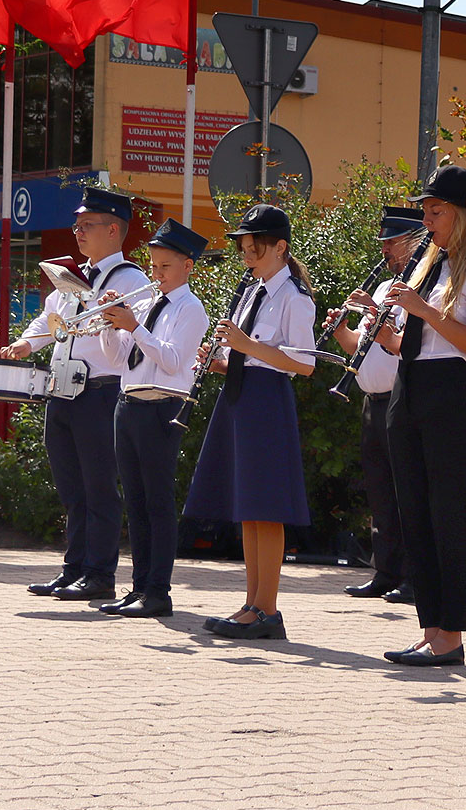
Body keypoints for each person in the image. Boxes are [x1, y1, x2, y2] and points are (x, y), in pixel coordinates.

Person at [381, 164, 466, 668]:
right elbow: (403, 344)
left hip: (452, 388)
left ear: (459, 214)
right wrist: (380, 320)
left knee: (447, 513)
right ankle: (430, 629)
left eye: (435, 212)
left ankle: (451, 634)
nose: (426, 221)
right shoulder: (427, 265)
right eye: (425, 211)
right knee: (413, 512)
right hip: (409, 385)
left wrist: (425, 311)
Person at [5, 186, 149, 602]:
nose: (78, 231)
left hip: (101, 390)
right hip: (63, 389)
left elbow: (128, 333)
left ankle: (100, 573)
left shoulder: (130, 279)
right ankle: (74, 569)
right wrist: (26, 344)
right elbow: (50, 319)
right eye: (78, 224)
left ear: (113, 229)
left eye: (87, 225)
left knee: (99, 486)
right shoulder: (72, 276)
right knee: (72, 486)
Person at [182, 205, 318, 640]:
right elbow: (250, 354)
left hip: (268, 403)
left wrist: (245, 347)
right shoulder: (251, 289)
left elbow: (304, 364)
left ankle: (268, 609)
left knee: (268, 508)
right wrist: (221, 361)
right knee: (249, 507)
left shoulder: (295, 297)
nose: (245, 252)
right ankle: (251, 603)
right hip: (241, 396)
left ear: (280, 247)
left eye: (253, 245)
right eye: (242, 245)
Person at [97, 218, 211, 620]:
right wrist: (111, 324)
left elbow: (173, 360)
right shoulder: (147, 304)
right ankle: (139, 586)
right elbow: (116, 358)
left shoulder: (190, 309)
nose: (156, 274)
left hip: (163, 406)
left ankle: (159, 590)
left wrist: (135, 326)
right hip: (128, 405)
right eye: (153, 267)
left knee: (158, 502)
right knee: (136, 501)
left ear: (187, 267)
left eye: (164, 267)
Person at [329, 206, 426, 603]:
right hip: (372, 399)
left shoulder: (419, 288)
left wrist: (373, 308)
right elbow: (361, 347)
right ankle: (384, 572)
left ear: (414, 243)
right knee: (380, 492)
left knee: (408, 494)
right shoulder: (386, 285)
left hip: (404, 400)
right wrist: (340, 331)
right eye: (383, 242)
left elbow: (405, 344)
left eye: (391, 242)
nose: (385, 249)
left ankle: (414, 578)